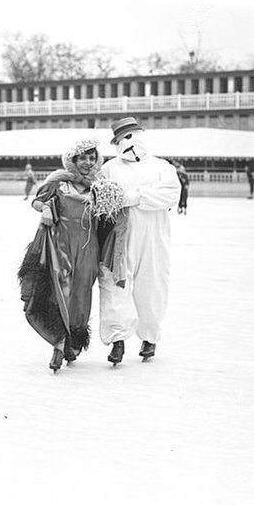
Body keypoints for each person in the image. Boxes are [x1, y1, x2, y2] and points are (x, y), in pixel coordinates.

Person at [97, 117, 181, 364]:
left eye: (131, 136)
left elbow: (169, 194)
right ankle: (118, 340)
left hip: (154, 235)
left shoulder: (163, 167)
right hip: (119, 237)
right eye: (121, 140)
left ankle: (149, 337)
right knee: (116, 284)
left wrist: (134, 197)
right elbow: (100, 196)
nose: (127, 143)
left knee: (152, 284)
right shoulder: (110, 168)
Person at [17, 139, 102, 372]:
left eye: (92, 158)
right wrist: (44, 209)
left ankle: (73, 341)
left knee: (81, 295)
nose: (87, 163)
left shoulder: (100, 187)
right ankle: (58, 342)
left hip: (88, 248)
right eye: (83, 158)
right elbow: (37, 200)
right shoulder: (59, 181)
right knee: (60, 292)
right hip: (61, 244)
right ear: (73, 160)